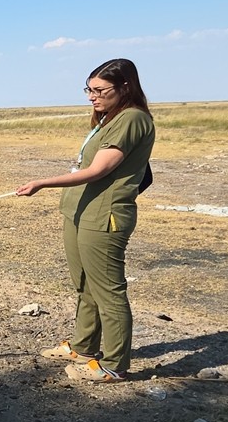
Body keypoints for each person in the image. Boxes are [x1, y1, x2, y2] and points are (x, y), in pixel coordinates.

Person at [16, 59, 155, 383]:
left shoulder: (132, 119)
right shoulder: (109, 118)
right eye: (88, 90)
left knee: (108, 291)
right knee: (84, 285)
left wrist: (41, 182)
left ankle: (115, 366)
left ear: (124, 87)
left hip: (103, 217)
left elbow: (99, 170)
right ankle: (83, 347)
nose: (91, 97)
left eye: (99, 90)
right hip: (80, 211)